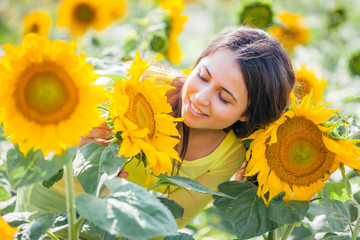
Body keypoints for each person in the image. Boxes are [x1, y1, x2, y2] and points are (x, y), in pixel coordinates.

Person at [15, 26, 295, 236]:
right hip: (43, 214)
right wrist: (73, 146)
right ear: (196, 63)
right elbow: (38, 142)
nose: (200, 97)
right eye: (203, 76)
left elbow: (161, 225)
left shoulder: (228, 154)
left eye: (224, 97)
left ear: (247, 113)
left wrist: (116, 192)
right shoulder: (139, 85)